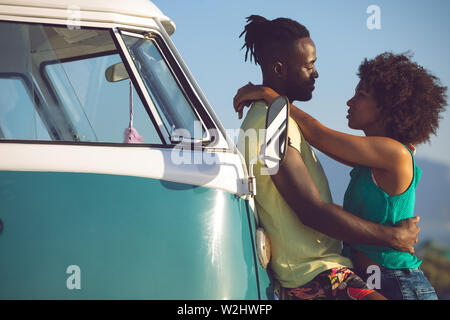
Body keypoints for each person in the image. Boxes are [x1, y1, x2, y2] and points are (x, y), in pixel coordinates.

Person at [234, 15, 422, 300]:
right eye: (309, 65)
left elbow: (323, 136)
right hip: (317, 275)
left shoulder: (281, 119)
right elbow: (311, 209)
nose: (316, 73)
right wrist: (392, 237)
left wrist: (271, 96)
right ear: (279, 68)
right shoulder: (270, 123)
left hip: (325, 271)